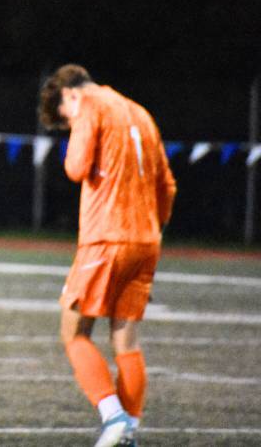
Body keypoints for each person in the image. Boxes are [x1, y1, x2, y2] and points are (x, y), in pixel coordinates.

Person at [38, 64, 176, 447]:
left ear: (70, 94)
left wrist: (78, 135)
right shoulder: (140, 112)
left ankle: (113, 417)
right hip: (146, 239)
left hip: (106, 237)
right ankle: (129, 430)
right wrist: (152, 228)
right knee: (126, 340)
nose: (70, 124)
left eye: (66, 120)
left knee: (74, 331)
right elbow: (167, 184)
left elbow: (76, 166)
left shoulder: (89, 105)